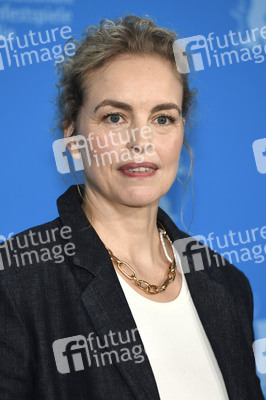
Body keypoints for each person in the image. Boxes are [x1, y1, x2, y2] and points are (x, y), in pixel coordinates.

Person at [0, 14, 264, 400]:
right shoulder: (16, 280)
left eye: (162, 118)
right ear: (72, 138)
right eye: (115, 117)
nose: (140, 141)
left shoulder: (227, 283)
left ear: (181, 133)